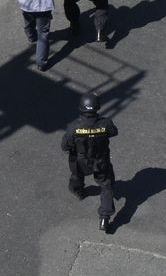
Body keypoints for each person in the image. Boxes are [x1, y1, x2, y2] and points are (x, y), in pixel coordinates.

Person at [61, 92, 118, 233]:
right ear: (97, 107)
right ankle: (105, 217)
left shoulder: (73, 127)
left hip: (80, 161)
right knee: (106, 185)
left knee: (76, 176)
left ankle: (78, 191)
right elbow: (114, 132)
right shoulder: (106, 123)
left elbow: (65, 146)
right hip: (101, 161)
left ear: (81, 108)